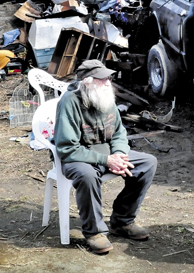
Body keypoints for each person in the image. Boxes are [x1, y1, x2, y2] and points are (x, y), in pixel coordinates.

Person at [54, 60, 158, 254]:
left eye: (109, 78)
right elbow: (67, 148)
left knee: (147, 163)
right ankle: (94, 232)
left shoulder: (105, 96)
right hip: (78, 157)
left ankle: (122, 221)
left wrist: (119, 154)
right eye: (103, 79)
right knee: (87, 175)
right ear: (87, 82)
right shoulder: (69, 102)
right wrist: (106, 160)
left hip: (108, 153)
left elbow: (119, 133)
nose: (109, 82)